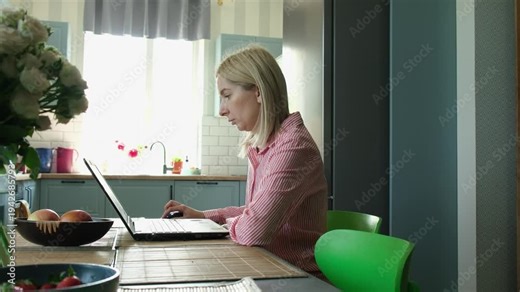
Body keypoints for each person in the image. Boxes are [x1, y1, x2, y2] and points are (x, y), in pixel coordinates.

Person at [162, 45, 328, 276]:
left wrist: (220, 226)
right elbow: (254, 212)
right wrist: (203, 217)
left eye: (227, 96)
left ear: (258, 92)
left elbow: (254, 230)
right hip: (265, 266)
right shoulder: (263, 146)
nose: (222, 110)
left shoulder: (294, 148)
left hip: (294, 277)